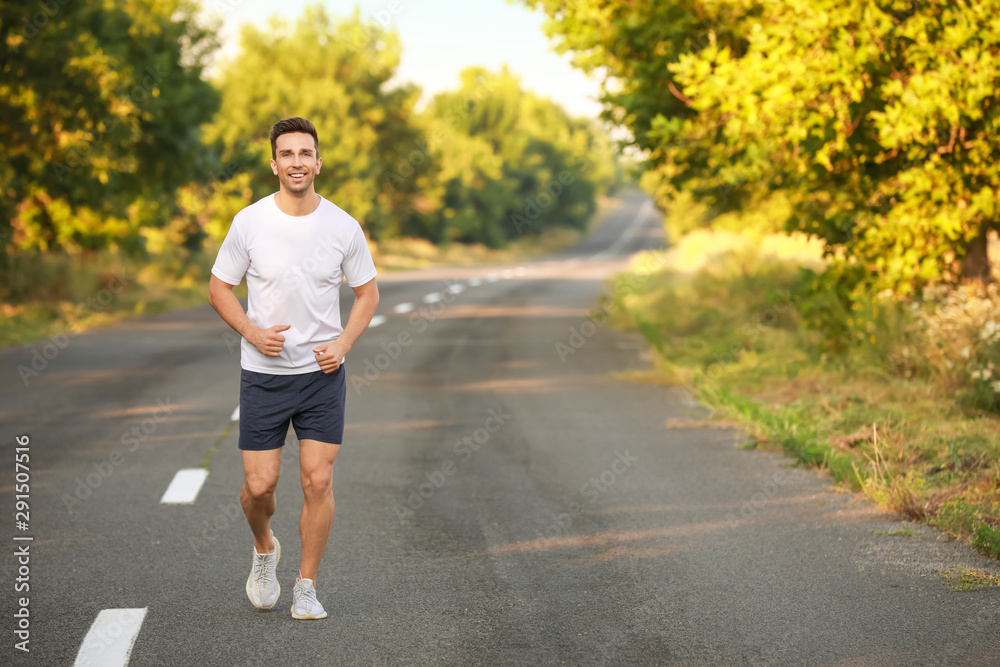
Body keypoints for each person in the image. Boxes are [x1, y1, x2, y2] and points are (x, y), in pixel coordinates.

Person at [208, 117, 379, 619]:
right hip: (263, 374)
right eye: (288, 154)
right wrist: (253, 333)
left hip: (321, 377)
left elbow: (368, 293)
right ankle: (265, 549)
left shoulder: (343, 226)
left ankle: (306, 584)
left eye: (306, 153)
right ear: (274, 164)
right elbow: (219, 288)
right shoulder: (250, 222)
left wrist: (344, 342)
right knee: (259, 486)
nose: (297, 162)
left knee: (317, 481)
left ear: (318, 163)